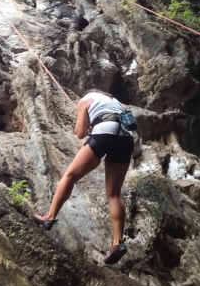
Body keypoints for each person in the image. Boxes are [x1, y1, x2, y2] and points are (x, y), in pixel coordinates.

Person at [33, 89, 134, 265]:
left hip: (105, 131)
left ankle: (49, 217)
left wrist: (87, 125)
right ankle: (118, 242)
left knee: (70, 176)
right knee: (114, 194)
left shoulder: (85, 100)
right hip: (126, 137)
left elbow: (79, 133)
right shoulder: (115, 101)